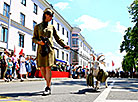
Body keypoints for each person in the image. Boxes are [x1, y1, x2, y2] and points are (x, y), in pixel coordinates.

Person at [32, 8, 70, 95]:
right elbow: (34, 38)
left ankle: (48, 87)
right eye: (50, 16)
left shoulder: (51, 27)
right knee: (42, 68)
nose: (51, 18)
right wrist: (39, 42)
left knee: (48, 67)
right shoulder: (37, 27)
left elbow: (57, 38)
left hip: (49, 49)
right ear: (46, 15)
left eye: (52, 16)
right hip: (41, 50)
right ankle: (48, 82)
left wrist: (64, 45)